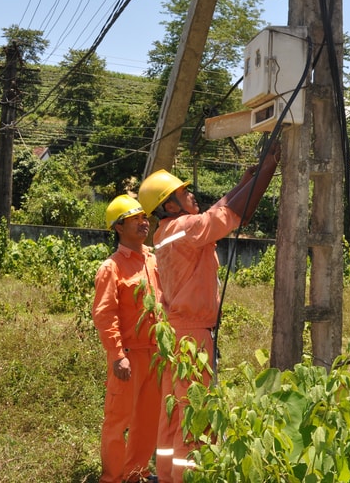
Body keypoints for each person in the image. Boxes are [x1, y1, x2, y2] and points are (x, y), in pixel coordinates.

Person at [137, 143, 280, 483]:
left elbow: (219, 209)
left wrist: (250, 175)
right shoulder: (182, 230)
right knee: (194, 410)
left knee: (174, 411)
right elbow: (229, 215)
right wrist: (270, 166)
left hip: (178, 332)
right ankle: (191, 477)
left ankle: (169, 475)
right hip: (191, 335)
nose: (192, 195)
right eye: (184, 192)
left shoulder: (171, 232)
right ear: (169, 205)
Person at [92, 195, 163, 483]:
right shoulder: (111, 267)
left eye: (145, 218)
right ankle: (113, 478)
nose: (144, 223)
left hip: (156, 354)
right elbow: (105, 314)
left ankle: (137, 475)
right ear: (119, 227)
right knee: (118, 421)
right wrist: (117, 354)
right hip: (129, 356)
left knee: (147, 422)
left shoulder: (155, 260)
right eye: (136, 219)